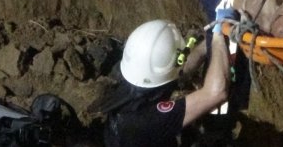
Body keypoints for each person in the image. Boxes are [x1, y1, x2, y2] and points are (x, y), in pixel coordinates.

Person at [90, 15, 234, 147]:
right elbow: (216, 93)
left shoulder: (132, 83)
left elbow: (179, 72)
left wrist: (207, 44)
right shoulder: (149, 119)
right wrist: (218, 37)